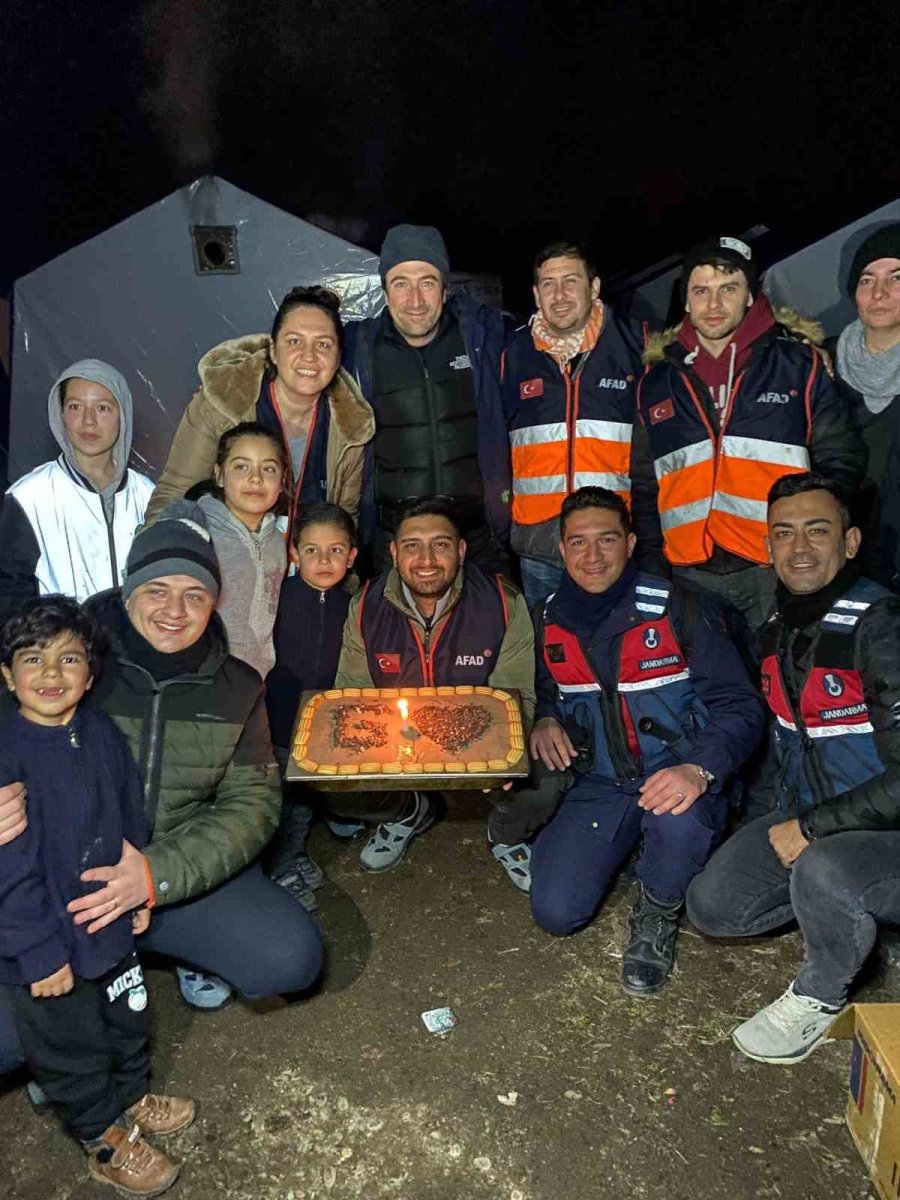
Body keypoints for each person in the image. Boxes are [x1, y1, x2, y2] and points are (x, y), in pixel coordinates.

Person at [6, 504, 323, 1013]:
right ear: (129, 590)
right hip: (66, 877)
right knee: (13, 1037)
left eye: (194, 594)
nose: (175, 610)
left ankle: (175, 950)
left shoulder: (238, 688)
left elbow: (252, 807)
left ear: (213, 603)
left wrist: (155, 875)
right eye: (157, 590)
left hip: (174, 872)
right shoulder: (67, 663)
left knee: (290, 957)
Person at [686, 473, 900, 1063]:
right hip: (817, 814)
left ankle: (821, 994)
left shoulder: (882, 625)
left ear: (851, 542)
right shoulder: (778, 631)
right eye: (784, 534)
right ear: (768, 546)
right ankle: (861, 924)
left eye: (817, 531)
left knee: (826, 869)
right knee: (714, 905)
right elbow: (785, 751)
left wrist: (809, 831)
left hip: (885, 831)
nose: (799, 548)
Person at [528, 486, 764, 995]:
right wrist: (545, 718)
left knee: (678, 826)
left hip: (677, 775)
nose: (593, 557)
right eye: (578, 543)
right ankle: (623, 846)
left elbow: (741, 706)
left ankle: (657, 910)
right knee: (556, 912)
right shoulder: (547, 617)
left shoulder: (682, 608)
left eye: (607, 540)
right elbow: (547, 688)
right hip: (602, 782)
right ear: (561, 548)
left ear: (631, 542)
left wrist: (700, 769)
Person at [0, 597, 193, 1196]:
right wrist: (37, 953)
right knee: (71, 1045)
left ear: (90, 675)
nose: (52, 675)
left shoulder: (102, 730)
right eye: (33, 660)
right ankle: (101, 1137)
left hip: (107, 918)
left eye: (69, 659)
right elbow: (6, 869)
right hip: (48, 943)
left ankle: (131, 1096)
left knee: (127, 1016)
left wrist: (138, 892)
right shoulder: (7, 755)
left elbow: (129, 812)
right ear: (7, 676)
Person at [634, 236, 865, 631]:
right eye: (701, 291)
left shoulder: (799, 364)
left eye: (728, 289)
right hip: (690, 570)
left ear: (749, 297)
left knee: (781, 680)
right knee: (711, 688)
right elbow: (643, 485)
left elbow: (840, 458)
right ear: (686, 301)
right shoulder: (656, 383)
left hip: (774, 566)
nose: (713, 304)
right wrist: (655, 565)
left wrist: (810, 539)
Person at [332, 495, 537, 887]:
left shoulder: (503, 602)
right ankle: (409, 811)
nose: (426, 560)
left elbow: (518, 697)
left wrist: (496, 759)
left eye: (440, 544)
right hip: (400, 747)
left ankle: (506, 832)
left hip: (472, 741)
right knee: (337, 785)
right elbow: (352, 696)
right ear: (393, 552)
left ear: (460, 550)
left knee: (544, 774)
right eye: (412, 546)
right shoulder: (365, 605)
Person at [343, 224, 510, 573]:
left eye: (427, 282)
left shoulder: (484, 337)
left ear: (445, 289)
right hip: (395, 541)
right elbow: (290, 360)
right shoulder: (357, 350)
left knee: (492, 628)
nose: (415, 300)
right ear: (385, 291)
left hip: (477, 539)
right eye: (401, 283)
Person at [144, 286, 374, 530]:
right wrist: (159, 560)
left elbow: (344, 519)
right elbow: (176, 492)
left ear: (338, 357)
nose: (309, 356)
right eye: (294, 341)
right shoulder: (222, 405)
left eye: (323, 344)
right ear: (273, 350)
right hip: (223, 559)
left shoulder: (351, 428)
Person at [501, 241, 649, 607]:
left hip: (611, 544)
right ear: (536, 294)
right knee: (552, 654)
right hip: (540, 546)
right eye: (548, 284)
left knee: (621, 653)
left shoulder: (638, 345)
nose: (560, 294)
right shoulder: (512, 354)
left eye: (571, 281)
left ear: (594, 287)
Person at [0, 360, 154, 622]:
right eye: (75, 406)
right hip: (61, 656)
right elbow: (9, 593)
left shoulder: (148, 495)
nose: (88, 420)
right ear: (60, 414)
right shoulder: (29, 497)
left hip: (135, 657)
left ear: (123, 414)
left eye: (103, 408)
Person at [265, 502, 358, 909]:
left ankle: (295, 853)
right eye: (312, 551)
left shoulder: (352, 605)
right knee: (276, 800)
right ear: (293, 553)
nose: (324, 561)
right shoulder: (277, 599)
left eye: (336, 551)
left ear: (351, 556)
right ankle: (278, 868)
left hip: (322, 725)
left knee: (303, 799)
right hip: (277, 722)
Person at [831, 224, 900, 588]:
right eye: (867, 279)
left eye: (896, 277)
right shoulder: (820, 366)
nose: (879, 293)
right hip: (841, 561)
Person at [192, 422, 290, 679]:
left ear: (283, 481)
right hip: (199, 678)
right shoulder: (197, 533)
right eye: (241, 466)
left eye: (268, 468)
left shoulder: (278, 542)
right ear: (220, 475)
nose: (255, 478)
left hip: (254, 679)